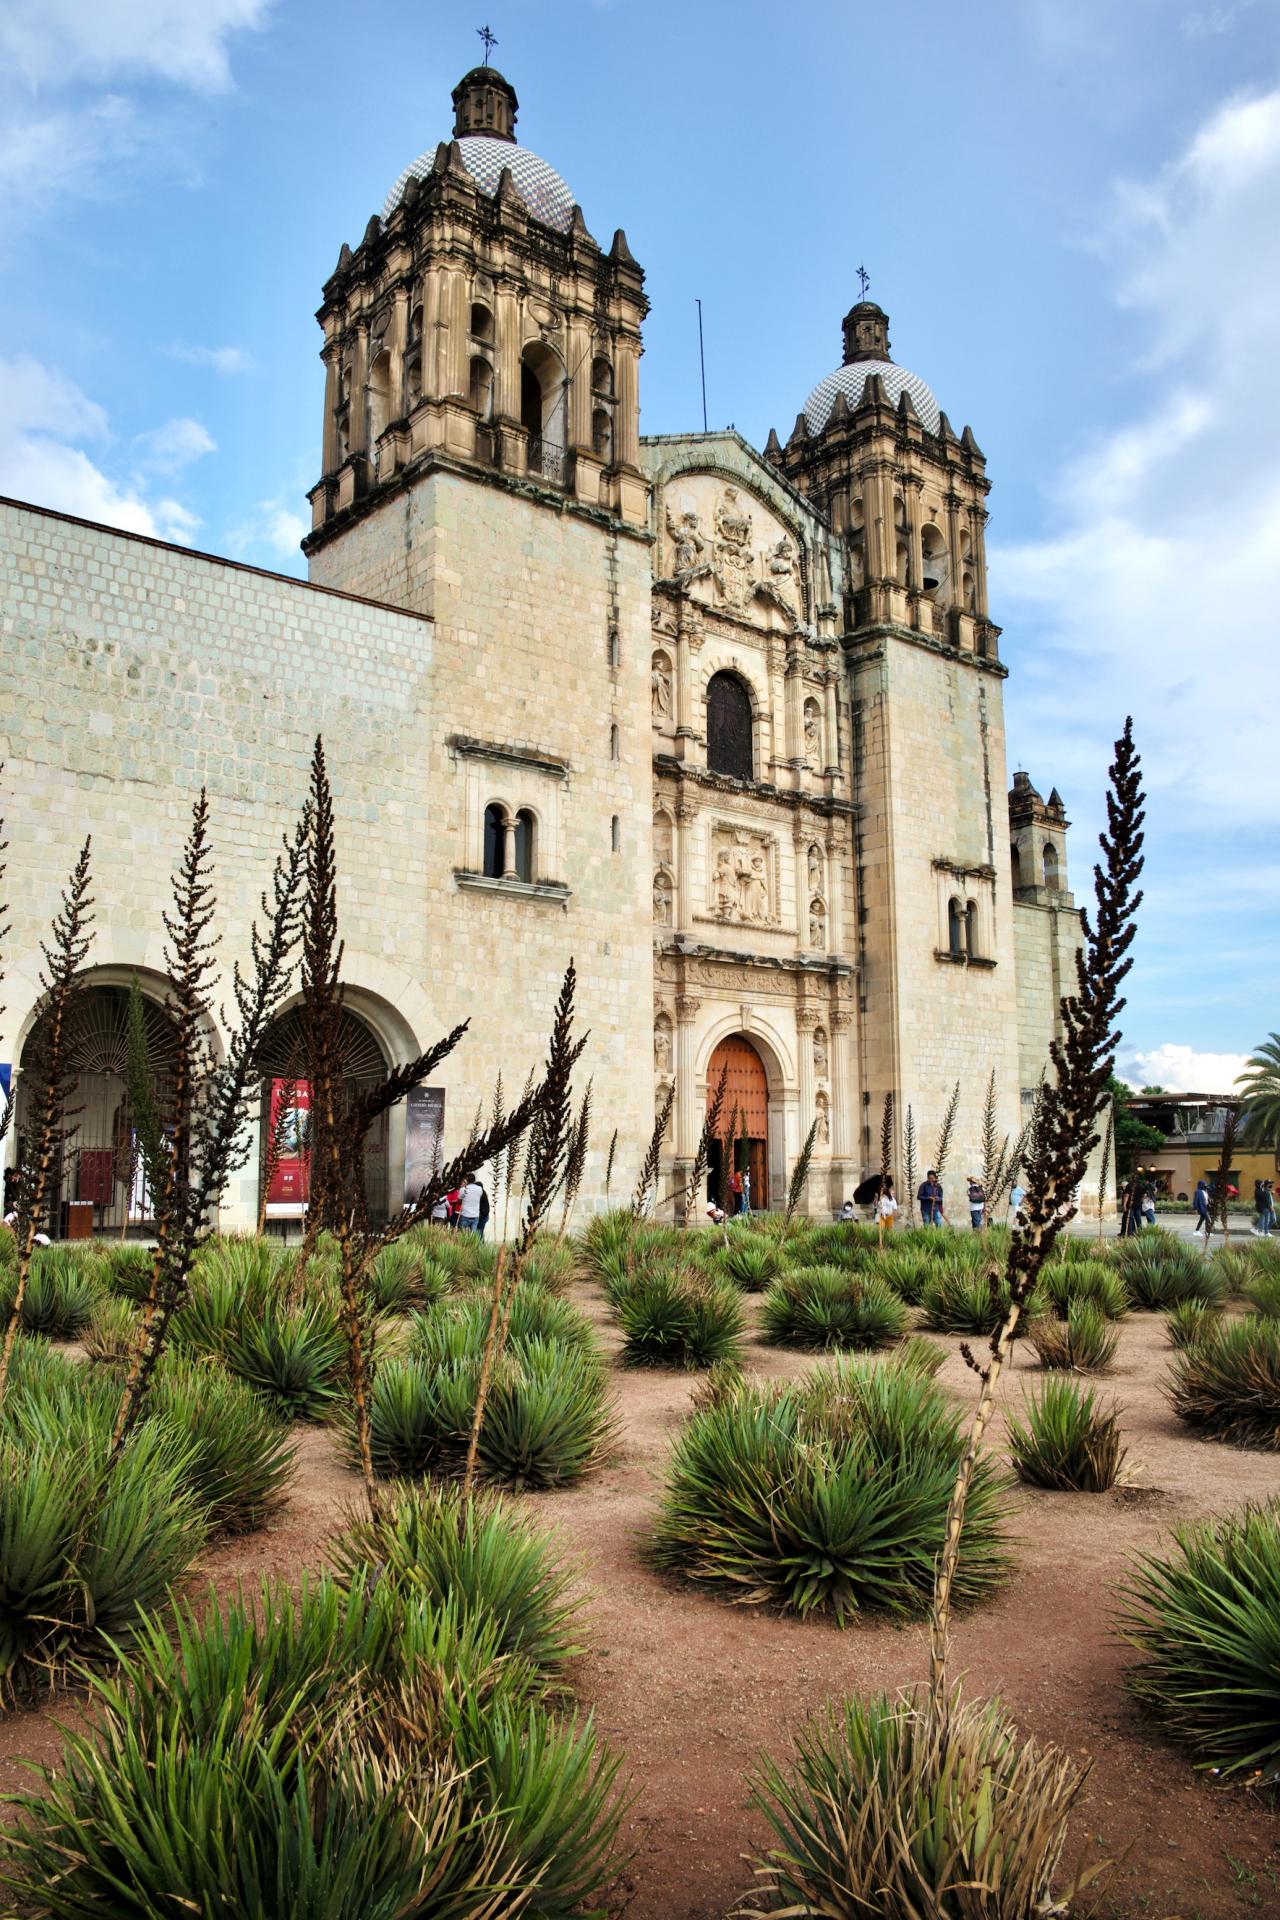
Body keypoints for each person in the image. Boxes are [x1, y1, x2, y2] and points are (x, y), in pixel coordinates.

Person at [1192, 1176, 1213, 1243]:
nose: (1205, 1185)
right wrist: (1195, 1208)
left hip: (1206, 1207)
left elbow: (1208, 1198)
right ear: (1200, 1184)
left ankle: (1197, 1231)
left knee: (1202, 1220)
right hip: (1202, 1208)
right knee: (1208, 1219)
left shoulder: (1205, 1191)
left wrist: (1207, 1189)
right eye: (1204, 1184)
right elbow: (1195, 1200)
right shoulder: (1197, 1192)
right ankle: (1207, 1231)